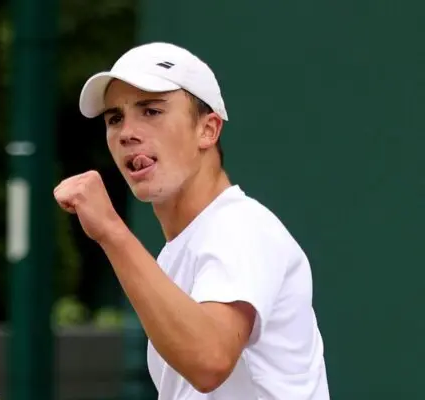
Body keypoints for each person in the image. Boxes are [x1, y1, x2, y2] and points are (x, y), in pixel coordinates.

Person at [53, 42, 330, 399]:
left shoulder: (241, 227)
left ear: (208, 130)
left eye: (151, 111)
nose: (126, 132)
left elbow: (209, 360)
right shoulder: (179, 253)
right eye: (115, 118)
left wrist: (110, 230)